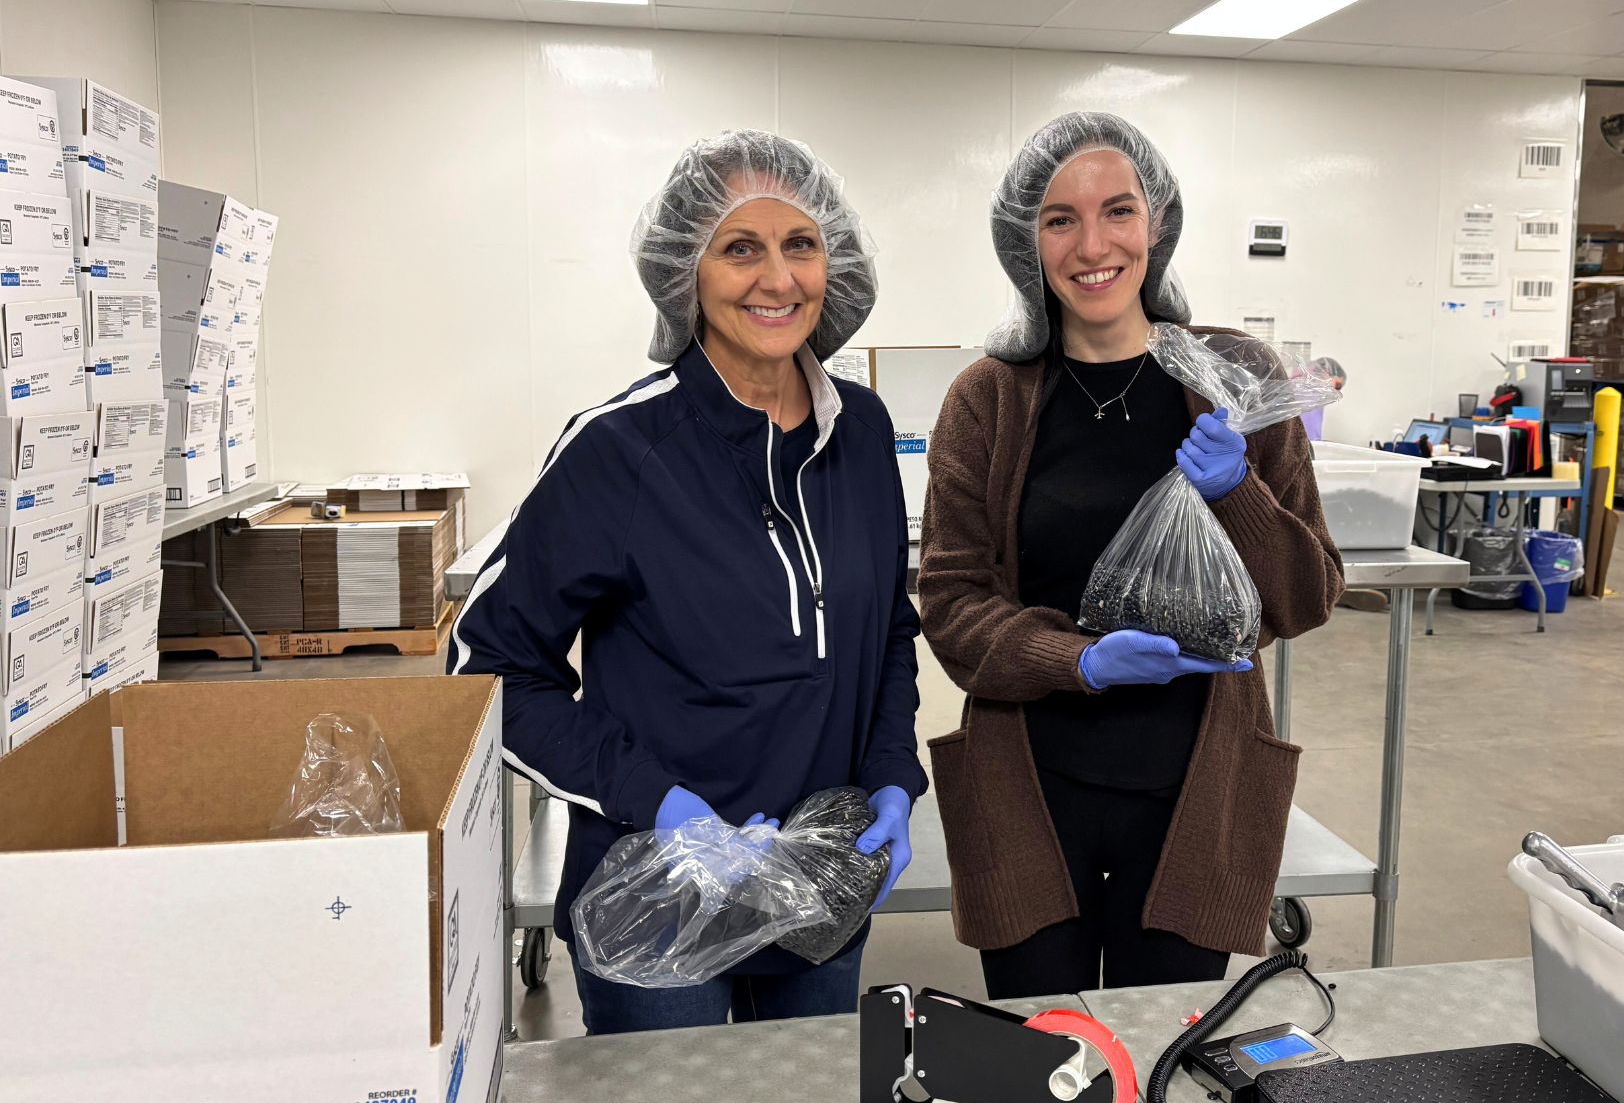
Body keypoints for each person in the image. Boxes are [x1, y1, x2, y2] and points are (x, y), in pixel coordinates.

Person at [449, 130, 923, 1032]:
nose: (777, 279)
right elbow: (489, 671)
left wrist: (892, 775)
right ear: (685, 274)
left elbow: (888, 632)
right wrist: (661, 806)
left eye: (801, 244)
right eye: (741, 248)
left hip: (821, 889)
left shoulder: (860, 431)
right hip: (657, 899)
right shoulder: (622, 451)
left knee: (803, 1093)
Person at [917, 112, 1344, 1000]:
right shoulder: (988, 399)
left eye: (1119, 210)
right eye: (1059, 219)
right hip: (1029, 790)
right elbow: (952, 605)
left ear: (1158, 223)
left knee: (1167, 1047)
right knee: (1047, 1053)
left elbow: (1305, 599)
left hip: (1196, 792)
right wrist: (1078, 661)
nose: (1093, 245)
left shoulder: (1235, 378)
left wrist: (1239, 493)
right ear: (1025, 241)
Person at [1299, 356, 1346, 442]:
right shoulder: (1312, 397)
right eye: (1338, 385)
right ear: (1326, 372)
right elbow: (1310, 439)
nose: (1336, 392)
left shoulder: (1316, 397)